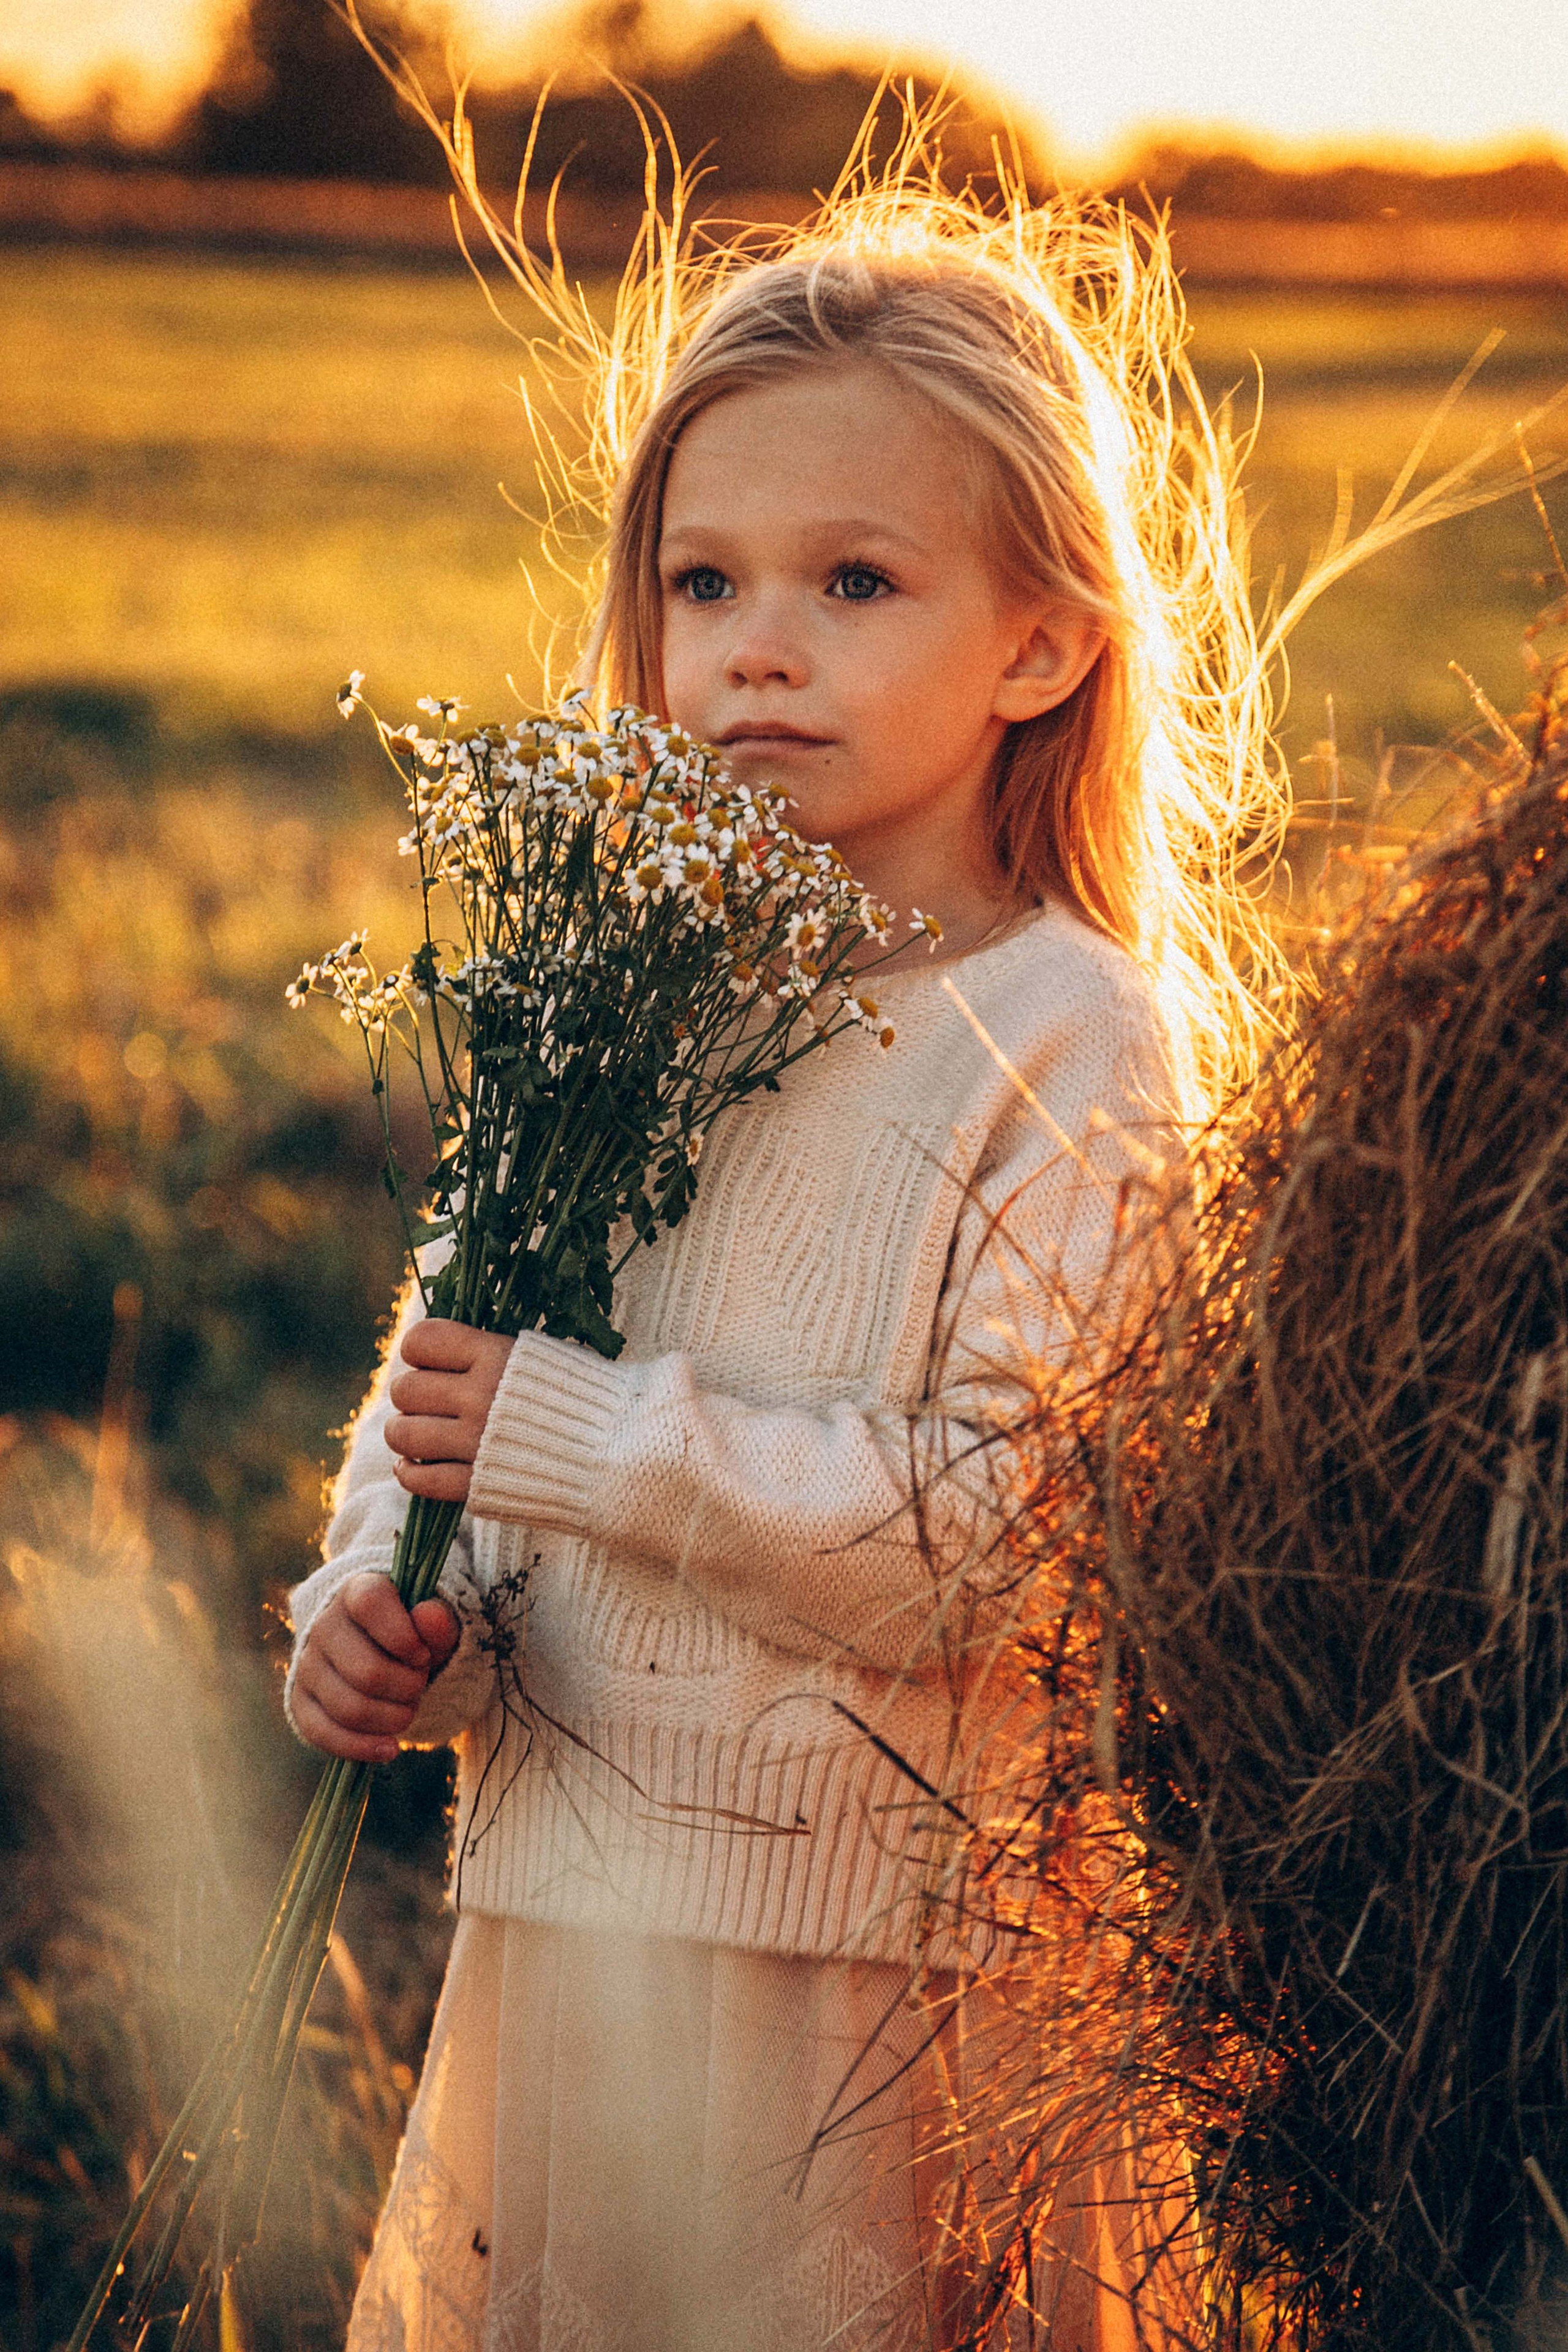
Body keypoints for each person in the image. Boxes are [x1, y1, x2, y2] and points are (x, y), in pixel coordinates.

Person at [284, 143, 1284, 2352]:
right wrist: (386, 1600)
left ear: (1042, 639)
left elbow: (1006, 1546)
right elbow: (444, 1407)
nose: (757, 652)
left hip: (874, 1999)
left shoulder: (1066, 1040)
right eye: (706, 585)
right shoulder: (602, 1001)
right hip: (566, 1949)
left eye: (854, 583)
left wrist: (582, 1437)